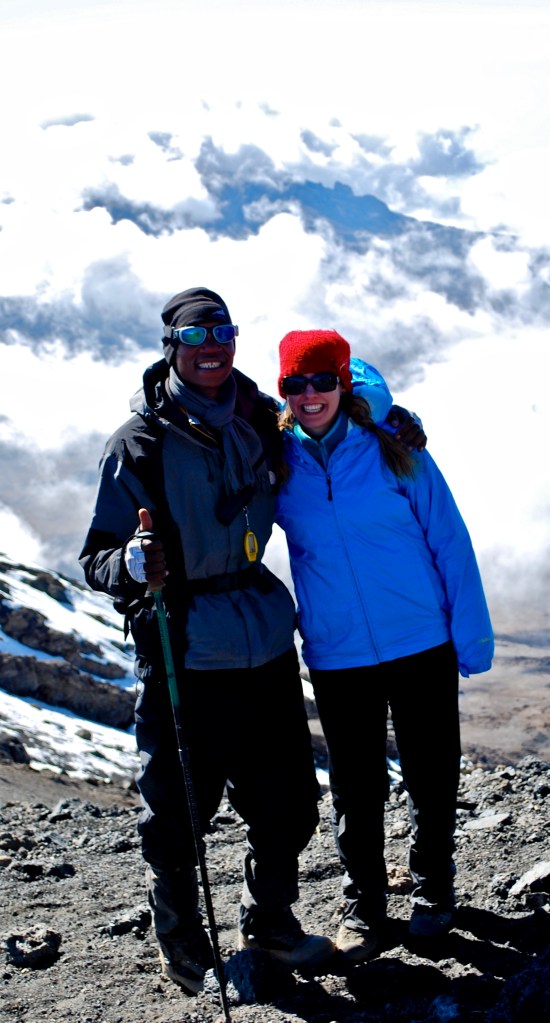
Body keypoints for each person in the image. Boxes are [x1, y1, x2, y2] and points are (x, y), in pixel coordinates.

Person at [79, 288, 424, 994]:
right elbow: (97, 558)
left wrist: (391, 420)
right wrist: (132, 565)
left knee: (289, 800)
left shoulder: (260, 416)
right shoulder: (139, 443)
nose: (211, 346)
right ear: (170, 346)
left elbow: (330, 414)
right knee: (179, 810)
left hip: (262, 640)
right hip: (183, 645)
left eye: (223, 332)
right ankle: (183, 944)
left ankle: (269, 924)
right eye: (195, 334)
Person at [274, 329, 494, 962]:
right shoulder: (276, 460)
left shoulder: (396, 447)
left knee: (432, 772)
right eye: (295, 383)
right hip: (338, 651)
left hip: (420, 638)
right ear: (283, 391)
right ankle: (365, 905)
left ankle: (434, 890)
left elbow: (450, 541)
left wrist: (471, 635)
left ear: (343, 383)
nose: (310, 394)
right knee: (356, 786)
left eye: (322, 380)